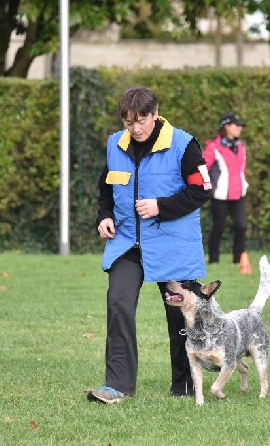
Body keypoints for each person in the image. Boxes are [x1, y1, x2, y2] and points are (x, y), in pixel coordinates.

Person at [89, 86, 213, 404]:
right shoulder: (116, 145)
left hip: (172, 243)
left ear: (155, 115)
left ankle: (186, 386)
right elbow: (106, 188)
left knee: (181, 315)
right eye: (129, 122)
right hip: (128, 244)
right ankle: (117, 385)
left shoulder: (184, 145)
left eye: (141, 120)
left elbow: (202, 190)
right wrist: (105, 215)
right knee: (118, 303)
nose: (136, 128)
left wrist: (161, 206)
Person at [203, 113, 249, 264]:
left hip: (239, 193)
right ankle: (214, 260)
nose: (239, 128)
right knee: (219, 227)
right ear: (226, 127)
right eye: (236, 125)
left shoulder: (241, 146)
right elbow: (202, 167)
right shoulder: (213, 147)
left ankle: (238, 260)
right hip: (220, 195)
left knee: (241, 226)